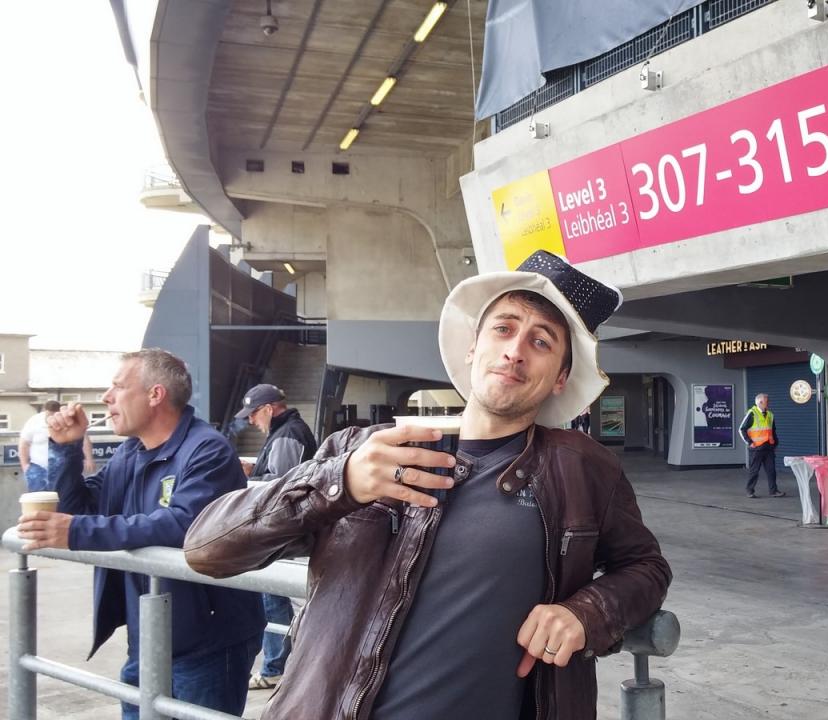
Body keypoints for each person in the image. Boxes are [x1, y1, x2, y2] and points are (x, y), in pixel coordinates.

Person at [184, 250, 672, 720]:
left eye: (541, 341)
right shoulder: (362, 450)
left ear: (561, 377)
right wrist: (340, 482)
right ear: (473, 347)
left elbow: (646, 567)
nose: (515, 350)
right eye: (503, 328)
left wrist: (586, 613)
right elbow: (208, 549)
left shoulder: (582, 469)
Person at [16, 349, 265, 719]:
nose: (106, 397)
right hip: (149, 637)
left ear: (155, 394)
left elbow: (183, 524)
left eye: (117, 386)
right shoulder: (130, 453)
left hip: (209, 642)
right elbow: (80, 509)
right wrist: (67, 449)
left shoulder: (207, 448)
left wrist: (76, 531)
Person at [234, 383, 318, 690]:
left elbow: (281, 485)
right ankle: (281, 665)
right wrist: (256, 467)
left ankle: (275, 667)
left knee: (274, 598)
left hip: (283, 532)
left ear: (269, 409)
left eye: (253, 414)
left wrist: (248, 477)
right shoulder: (289, 431)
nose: (251, 421)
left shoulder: (287, 434)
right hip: (293, 530)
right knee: (279, 598)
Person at [740, 392, 785, 498]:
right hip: (757, 448)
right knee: (754, 471)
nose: (768, 403)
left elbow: (772, 431)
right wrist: (750, 442)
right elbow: (742, 429)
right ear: (760, 402)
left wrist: (775, 443)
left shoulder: (770, 414)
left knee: (771, 470)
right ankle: (750, 491)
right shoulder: (752, 413)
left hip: (768, 447)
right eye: (766, 401)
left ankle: (773, 491)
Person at [19, 400, 61, 491]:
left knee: (60, 498)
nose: (51, 418)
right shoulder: (34, 421)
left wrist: (88, 458)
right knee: (38, 498)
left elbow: (83, 439)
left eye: (53, 415)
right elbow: (24, 444)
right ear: (44, 411)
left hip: (60, 468)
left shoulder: (64, 420)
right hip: (38, 467)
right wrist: (25, 466)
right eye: (48, 415)